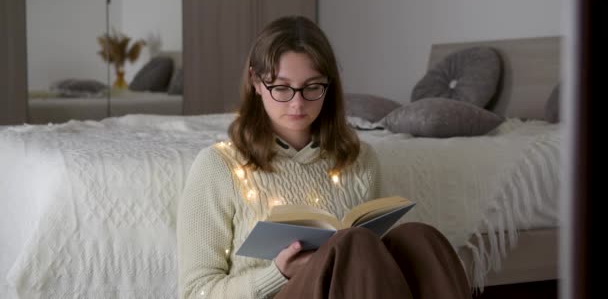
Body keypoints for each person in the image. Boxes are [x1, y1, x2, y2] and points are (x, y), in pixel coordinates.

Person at [177, 15, 472, 299]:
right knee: (354, 242)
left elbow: (373, 271)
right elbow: (195, 292)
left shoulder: (359, 160)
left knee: (419, 239)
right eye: (281, 87)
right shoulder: (218, 167)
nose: (297, 103)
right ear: (256, 82)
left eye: (312, 87)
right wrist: (278, 273)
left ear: (329, 86)